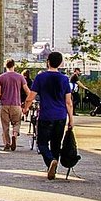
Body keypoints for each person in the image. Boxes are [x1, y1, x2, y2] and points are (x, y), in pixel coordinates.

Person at [23, 50, 73, 179]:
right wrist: (71, 120)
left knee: (42, 143)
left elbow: (31, 96)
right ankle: (53, 169)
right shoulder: (64, 79)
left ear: (48, 62)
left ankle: (51, 161)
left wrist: (25, 108)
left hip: (46, 115)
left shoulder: (41, 77)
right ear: (60, 63)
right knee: (56, 144)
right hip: (61, 116)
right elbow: (68, 102)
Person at [0, 59, 28, 151]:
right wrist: (27, 103)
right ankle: (14, 135)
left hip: (4, 104)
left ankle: (7, 144)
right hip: (16, 104)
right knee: (17, 123)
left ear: (6, 66)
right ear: (14, 66)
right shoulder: (20, 77)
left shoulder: (1, 77)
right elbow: (27, 91)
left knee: (5, 126)